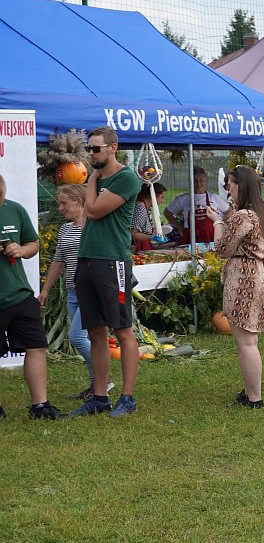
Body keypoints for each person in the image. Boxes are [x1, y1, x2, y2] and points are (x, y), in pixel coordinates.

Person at [72, 127, 141, 417]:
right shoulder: (99, 179)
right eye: (89, 149)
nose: (91, 154)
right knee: (95, 331)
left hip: (113, 262)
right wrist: (94, 181)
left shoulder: (126, 178)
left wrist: (91, 180)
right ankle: (100, 396)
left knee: (122, 329)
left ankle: (127, 397)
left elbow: (95, 210)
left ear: (113, 147)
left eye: (96, 149)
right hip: (87, 259)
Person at [210, 165, 264, 408]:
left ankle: (254, 398)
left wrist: (218, 223)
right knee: (251, 341)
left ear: (242, 185)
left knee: (246, 344)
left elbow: (222, 249)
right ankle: (251, 389)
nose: (229, 190)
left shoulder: (242, 216)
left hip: (245, 279)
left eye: (231, 185)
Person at [0, 176, 66, 420]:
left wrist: (21, 249)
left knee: (37, 346)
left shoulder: (15, 209)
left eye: (1, 197)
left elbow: (33, 244)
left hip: (20, 293)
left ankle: (40, 406)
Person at [39, 185, 100, 403]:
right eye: (59, 203)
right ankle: (96, 385)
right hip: (73, 291)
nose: (60, 207)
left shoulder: (94, 226)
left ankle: (103, 381)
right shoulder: (66, 229)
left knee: (77, 337)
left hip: (91, 291)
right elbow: (58, 260)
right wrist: (45, 289)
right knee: (87, 337)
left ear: (80, 202)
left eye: (64, 203)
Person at [165, 167, 229, 244]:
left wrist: (222, 226)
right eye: (195, 181)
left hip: (211, 236)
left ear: (206, 181)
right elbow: (167, 213)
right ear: (190, 182)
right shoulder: (183, 199)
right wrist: (179, 227)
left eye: (201, 180)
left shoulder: (214, 197)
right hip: (190, 236)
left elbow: (229, 211)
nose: (198, 184)